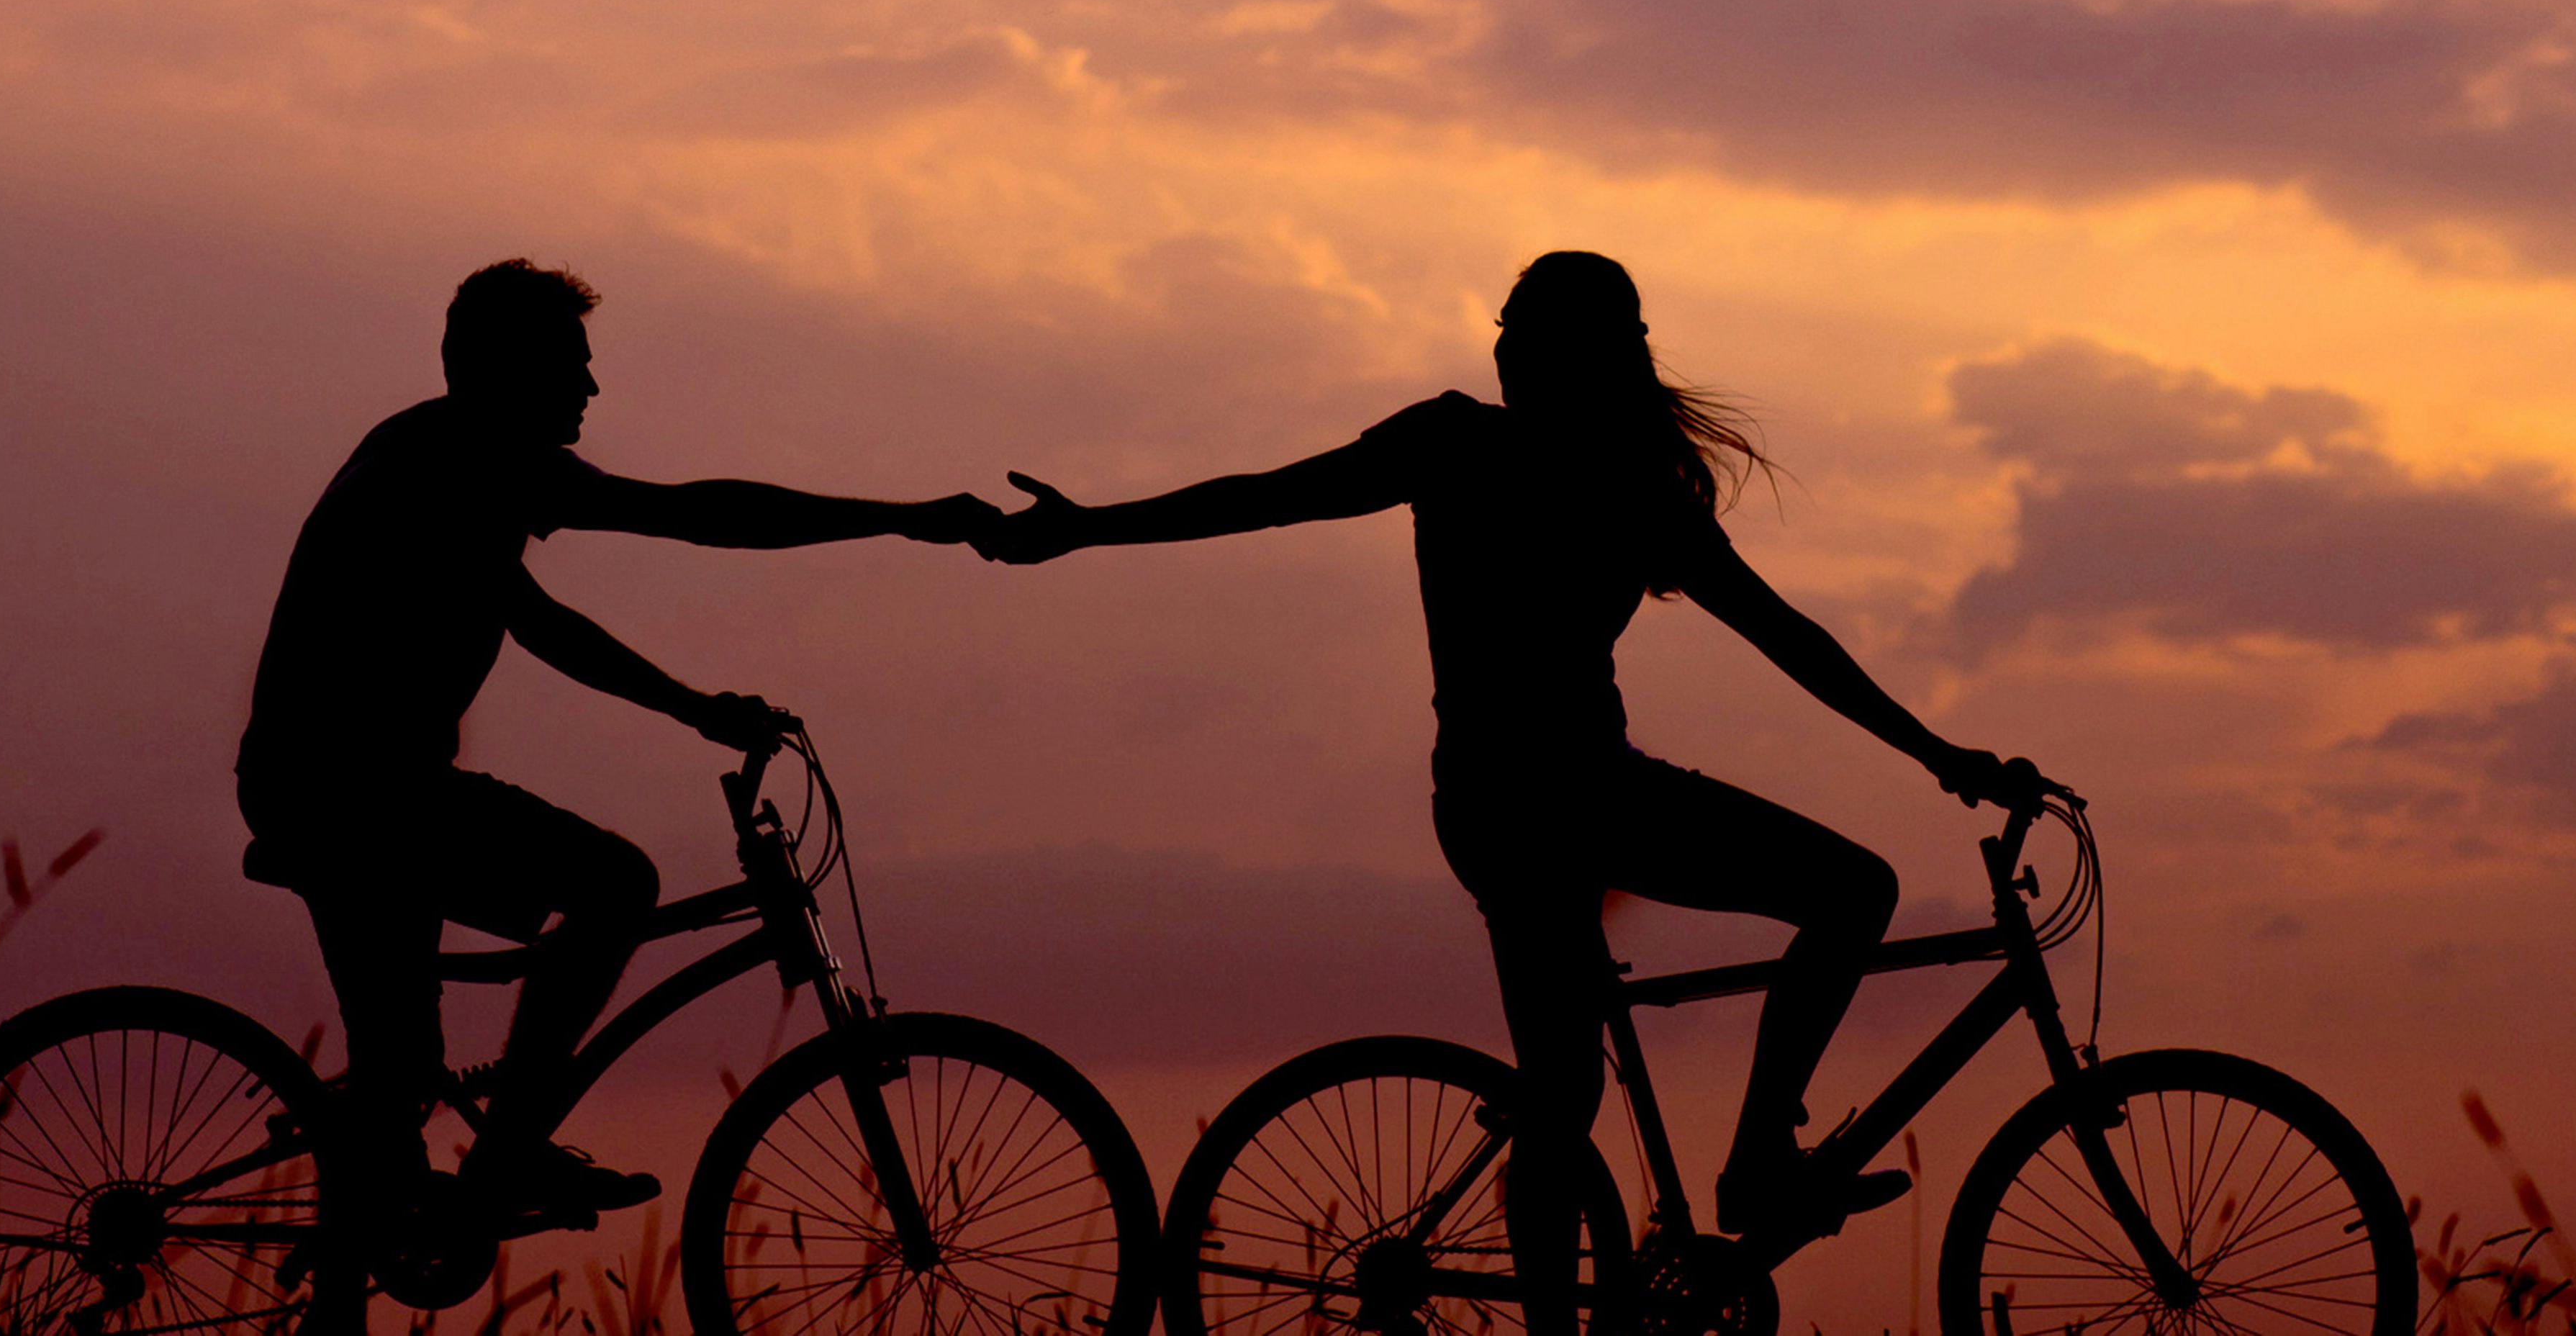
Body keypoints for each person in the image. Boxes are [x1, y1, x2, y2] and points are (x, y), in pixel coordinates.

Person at [979, 250, 2048, 1330]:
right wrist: (1089, 527)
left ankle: (1632, 1263)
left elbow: (1785, 637)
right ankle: (1759, 1162)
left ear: (1578, 355)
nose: (1500, 348)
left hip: (1516, 804)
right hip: (1560, 800)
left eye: (1522, 330)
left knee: (1568, 1087)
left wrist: (1934, 751)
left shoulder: (1586, 477)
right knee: (1840, 898)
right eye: (1503, 327)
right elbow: (1264, 501)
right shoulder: (1505, 456)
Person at [238, 258, 993, 1231]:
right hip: (349, 796)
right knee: (612, 887)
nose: (591, 388)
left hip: (367, 792)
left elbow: (538, 618)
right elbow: (692, 517)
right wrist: (905, 521)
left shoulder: (446, 461)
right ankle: (502, 1157)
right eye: (571, 364)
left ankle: (411, 1197)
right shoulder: (464, 458)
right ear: (510, 369)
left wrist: (693, 706)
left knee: (403, 1084)